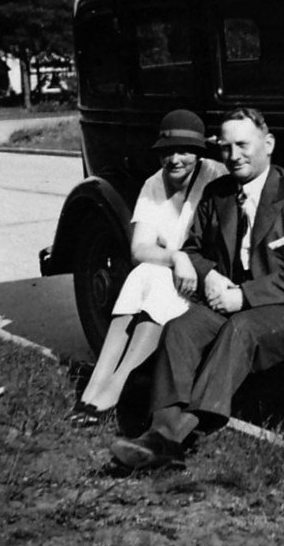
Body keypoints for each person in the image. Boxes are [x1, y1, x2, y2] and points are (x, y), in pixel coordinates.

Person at [110, 106, 284, 470]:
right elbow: (192, 251)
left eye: (243, 145)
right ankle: (161, 428)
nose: (234, 156)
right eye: (226, 147)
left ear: (268, 143)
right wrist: (210, 275)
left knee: (240, 329)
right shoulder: (218, 193)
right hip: (237, 301)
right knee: (182, 328)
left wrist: (244, 296)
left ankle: (172, 438)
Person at [70, 110, 226, 426]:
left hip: (205, 277)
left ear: (198, 152)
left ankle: (115, 388)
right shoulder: (154, 184)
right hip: (175, 271)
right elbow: (139, 249)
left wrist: (188, 262)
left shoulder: (215, 176)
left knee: (157, 282)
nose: (175, 159)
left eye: (184, 151)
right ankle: (97, 384)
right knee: (143, 273)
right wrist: (176, 258)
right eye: (168, 151)